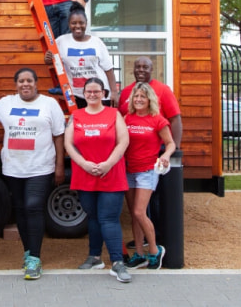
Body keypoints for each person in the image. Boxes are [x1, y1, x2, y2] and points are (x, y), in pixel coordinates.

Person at [0, 68, 65, 280]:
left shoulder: (49, 104)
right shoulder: (8, 102)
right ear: (16, 84)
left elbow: (58, 136)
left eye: (29, 80)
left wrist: (60, 165)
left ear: (36, 83)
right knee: (19, 209)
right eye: (21, 81)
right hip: (13, 167)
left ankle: (35, 259)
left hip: (41, 167)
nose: (25, 84)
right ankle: (28, 252)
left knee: (33, 207)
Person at [64, 77, 131, 283]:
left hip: (110, 173)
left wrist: (109, 163)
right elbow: (68, 144)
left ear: (104, 93)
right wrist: (83, 164)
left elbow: (123, 140)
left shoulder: (114, 113)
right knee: (92, 217)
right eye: (89, 92)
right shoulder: (76, 115)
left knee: (108, 218)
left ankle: (118, 262)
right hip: (85, 174)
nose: (92, 95)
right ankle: (94, 257)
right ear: (84, 94)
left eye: (96, 91)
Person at [118, 56, 182, 248]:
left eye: (145, 67)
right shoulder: (126, 93)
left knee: (151, 204)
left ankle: (156, 243)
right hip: (130, 161)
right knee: (136, 209)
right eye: (137, 66)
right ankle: (140, 245)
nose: (141, 70)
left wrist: (173, 150)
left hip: (154, 154)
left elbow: (175, 119)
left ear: (152, 69)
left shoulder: (162, 90)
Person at [123, 82, 176, 270]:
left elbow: (170, 143)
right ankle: (139, 253)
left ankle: (154, 251)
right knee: (134, 215)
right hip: (129, 170)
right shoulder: (127, 118)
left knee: (139, 211)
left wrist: (165, 155)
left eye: (142, 97)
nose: (138, 100)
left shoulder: (157, 119)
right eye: (135, 96)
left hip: (147, 171)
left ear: (149, 100)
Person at [44, 1, 118, 108]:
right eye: (74, 23)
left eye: (81, 23)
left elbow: (109, 69)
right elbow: (49, 60)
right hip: (77, 95)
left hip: (99, 94)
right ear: (69, 24)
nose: (78, 26)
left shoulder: (97, 42)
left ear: (86, 23)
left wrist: (114, 92)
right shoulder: (61, 41)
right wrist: (47, 58)